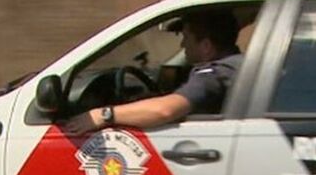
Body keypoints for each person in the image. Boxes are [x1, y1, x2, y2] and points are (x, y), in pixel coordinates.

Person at [64, 9, 243, 134]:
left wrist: (103, 115)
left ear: (206, 46)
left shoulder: (214, 75)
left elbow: (164, 111)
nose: (182, 45)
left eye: (186, 38)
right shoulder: (235, 66)